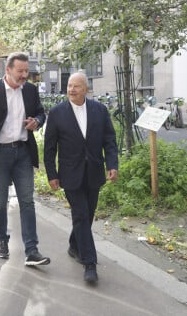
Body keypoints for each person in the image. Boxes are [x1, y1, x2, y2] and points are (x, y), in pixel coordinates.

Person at [0, 51, 50, 266]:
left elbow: (41, 113)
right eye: (20, 71)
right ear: (8, 70)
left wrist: (37, 121)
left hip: (23, 152)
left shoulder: (30, 90)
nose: (25, 75)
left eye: (27, 71)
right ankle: (2, 240)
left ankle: (32, 250)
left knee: (27, 201)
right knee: (0, 201)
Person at [43, 72, 118, 283]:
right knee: (81, 215)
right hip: (70, 174)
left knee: (88, 214)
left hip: (94, 172)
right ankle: (90, 263)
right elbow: (49, 149)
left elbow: (109, 140)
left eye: (76, 86)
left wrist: (112, 164)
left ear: (86, 89)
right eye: (69, 86)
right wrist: (52, 175)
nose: (71, 89)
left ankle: (75, 245)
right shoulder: (57, 113)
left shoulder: (99, 110)